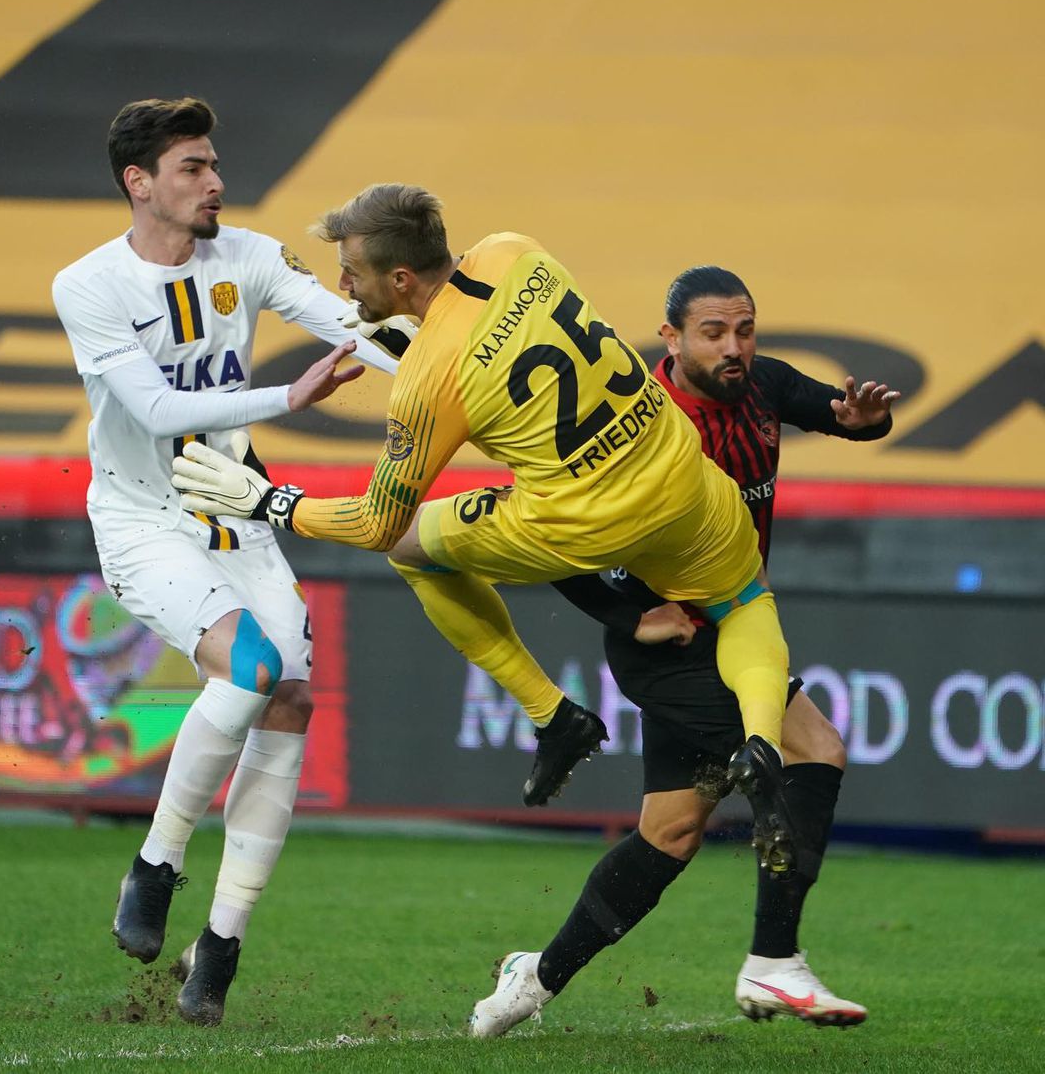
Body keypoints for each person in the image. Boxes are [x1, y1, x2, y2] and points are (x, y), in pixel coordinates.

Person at [170, 185, 796, 839]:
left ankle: (553, 715)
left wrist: (273, 502)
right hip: (677, 468)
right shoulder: (513, 251)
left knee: (409, 549)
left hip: (584, 518)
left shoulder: (426, 383)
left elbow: (377, 521)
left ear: (402, 278)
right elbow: (498, 344)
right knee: (747, 597)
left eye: (353, 271)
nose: (343, 283)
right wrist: (417, 334)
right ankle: (761, 743)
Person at [468, 265, 898, 1036]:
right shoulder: (635, 418)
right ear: (670, 338)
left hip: (735, 631)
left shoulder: (761, 385)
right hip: (667, 645)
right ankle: (775, 962)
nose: (735, 347)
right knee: (814, 751)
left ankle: (531, 978)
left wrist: (865, 421)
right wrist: (629, 618)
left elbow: (837, 414)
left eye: (745, 328)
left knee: (669, 834)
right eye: (714, 332)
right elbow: (551, 535)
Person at [51, 97, 398, 1027]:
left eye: (214, 164)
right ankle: (156, 865)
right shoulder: (86, 285)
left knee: (288, 698)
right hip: (142, 518)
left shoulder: (245, 256)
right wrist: (295, 390)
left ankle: (221, 943)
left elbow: (355, 323)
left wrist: (452, 365)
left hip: (232, 511)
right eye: (194, 167)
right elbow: (161, 411)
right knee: (249, 666)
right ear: (141, 182)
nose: (216, 180)